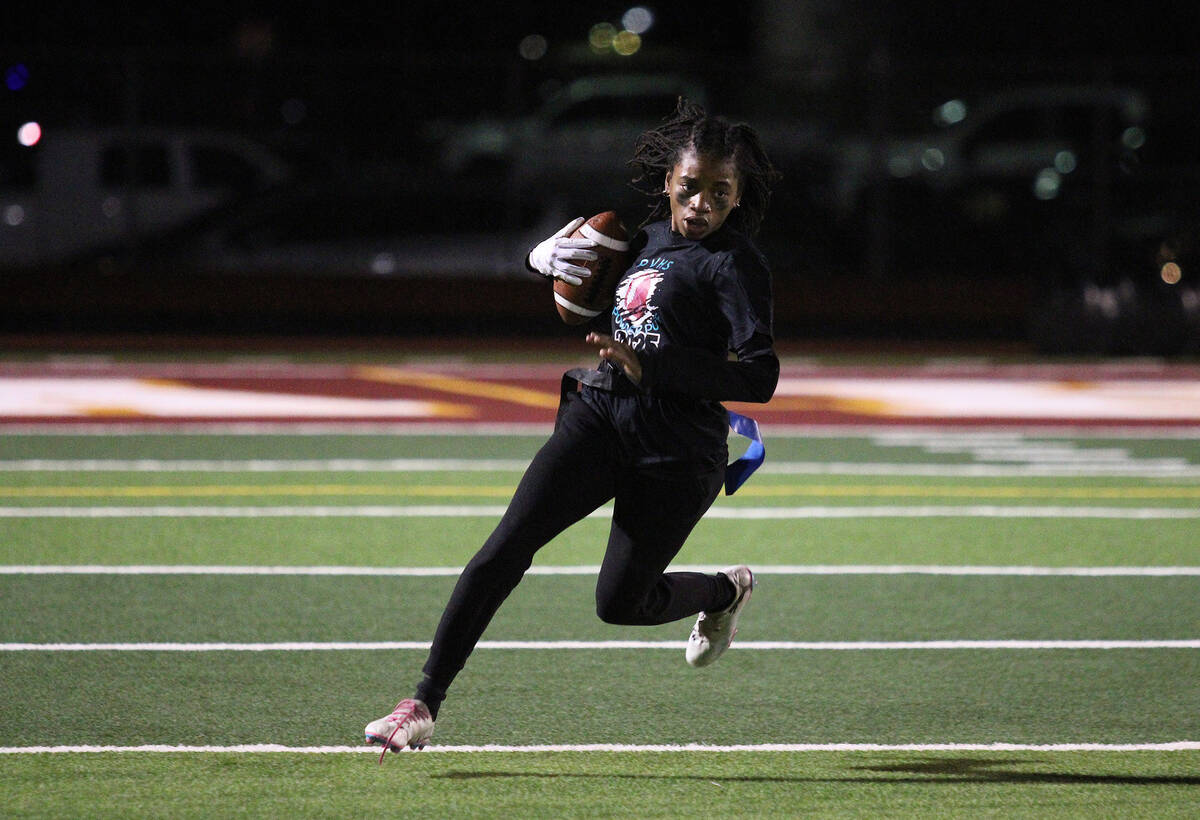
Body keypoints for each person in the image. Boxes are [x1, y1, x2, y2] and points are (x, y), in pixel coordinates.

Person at [365, 99, 781, 757]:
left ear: (737, 196)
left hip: (677, 450)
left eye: (720, 192)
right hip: (601, 416)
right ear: (668, 179)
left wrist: (653, 366)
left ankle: (725, 591)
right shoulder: (642, 240)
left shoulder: (734, 264)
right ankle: (420, 704)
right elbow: (583, 290)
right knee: (504, 548)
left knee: (619, 603)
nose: (702, 203)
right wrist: (545, 260)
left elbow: (759, 376)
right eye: (691, 186)